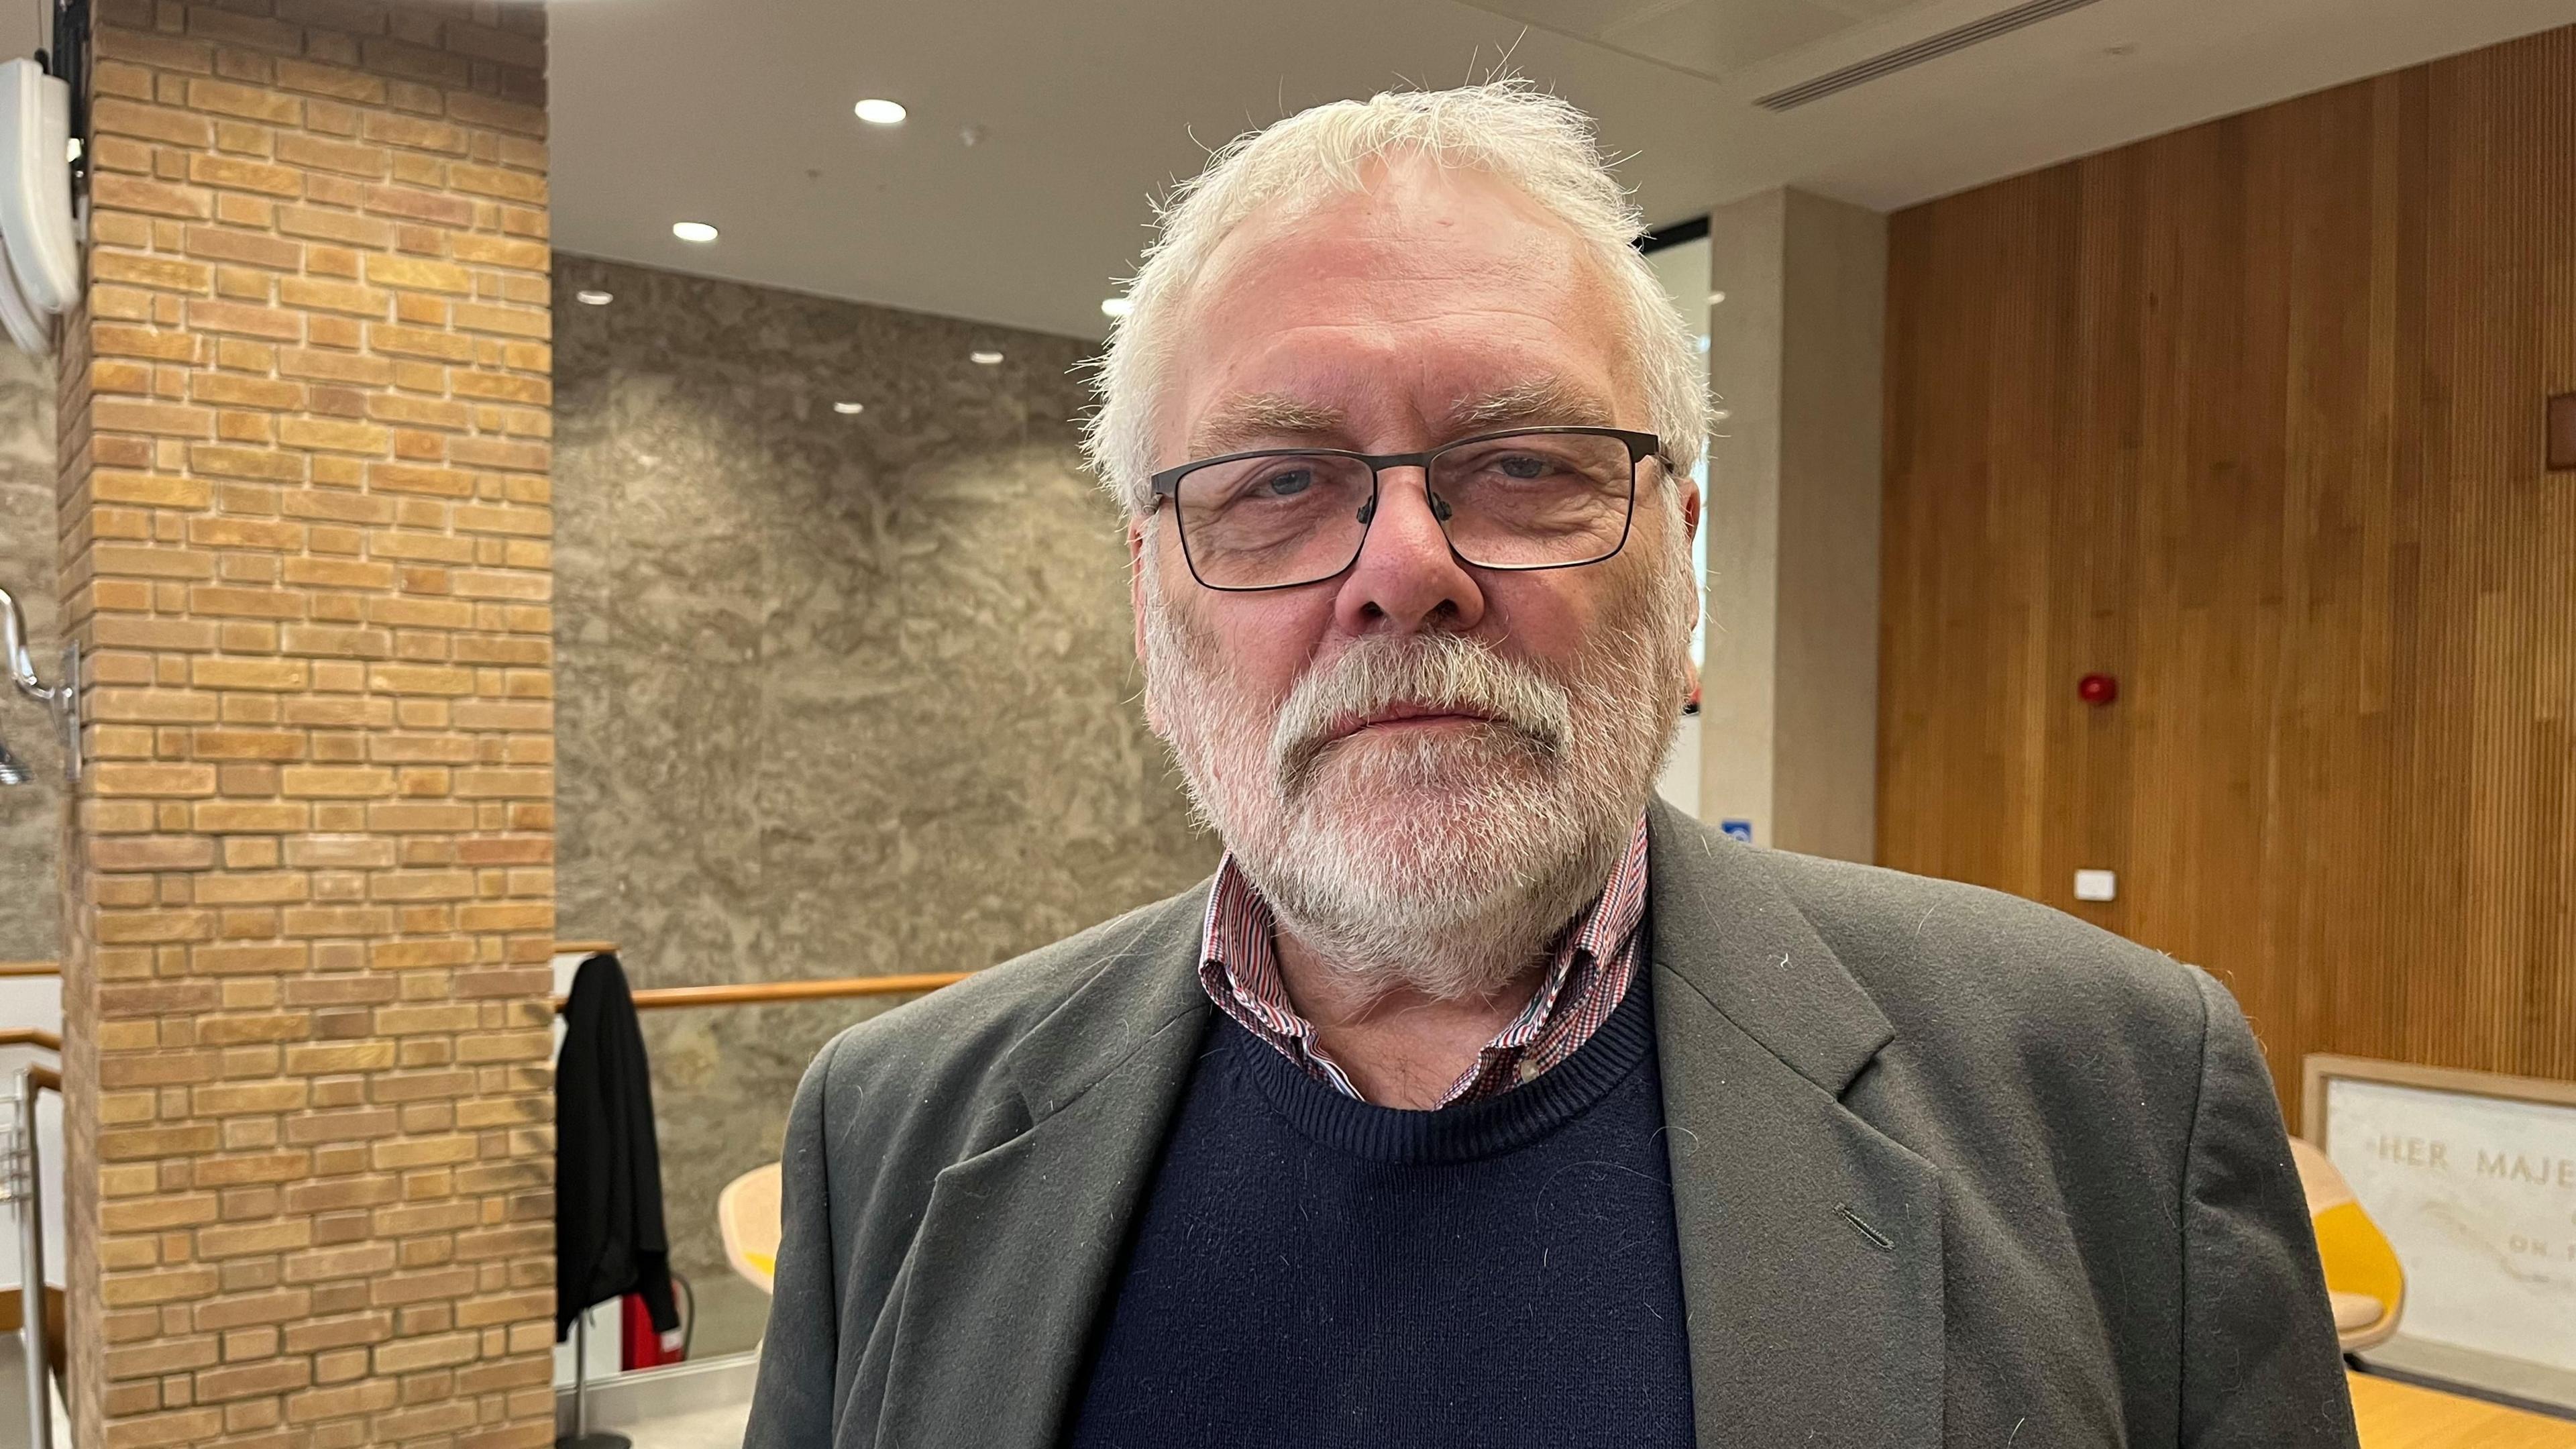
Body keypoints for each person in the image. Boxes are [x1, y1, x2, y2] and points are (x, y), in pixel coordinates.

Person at [743, 82, 2357, 1448]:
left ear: (1682, 576)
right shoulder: (892, 1131)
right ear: (1152, 615)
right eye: (1276, 483)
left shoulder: (2117, 1096)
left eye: (1524, 465)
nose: (1403, 567)